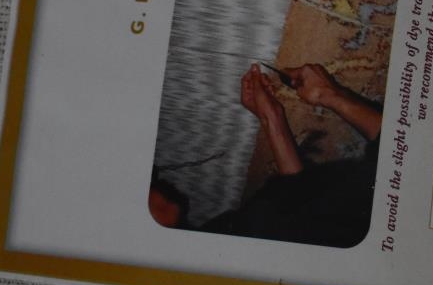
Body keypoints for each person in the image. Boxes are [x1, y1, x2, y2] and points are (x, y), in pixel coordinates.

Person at [148, 62, 382, 248]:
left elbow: (296, 205)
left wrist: (271, 117)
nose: (154, 176)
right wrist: (331, 95)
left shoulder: (215, 241)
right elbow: (395, 168)